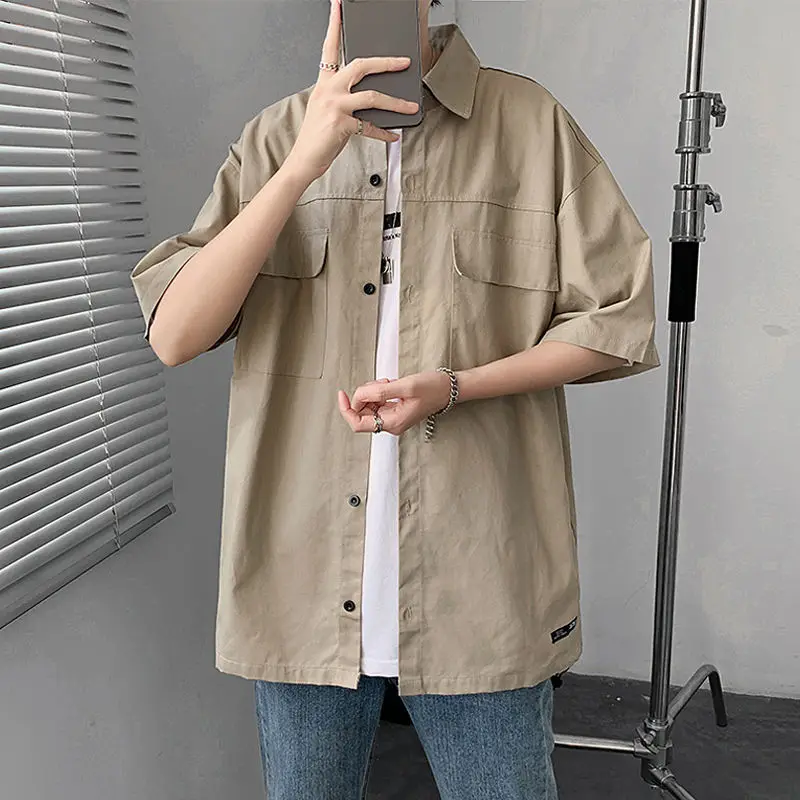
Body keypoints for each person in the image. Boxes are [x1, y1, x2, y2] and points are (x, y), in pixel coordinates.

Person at [130, 0, 660, 797]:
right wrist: (303, 164)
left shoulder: (530, 125)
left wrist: (456, 386)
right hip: (300, 583)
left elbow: (619, 318)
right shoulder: (277, 138)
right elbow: (174, 334)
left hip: (484, 585)